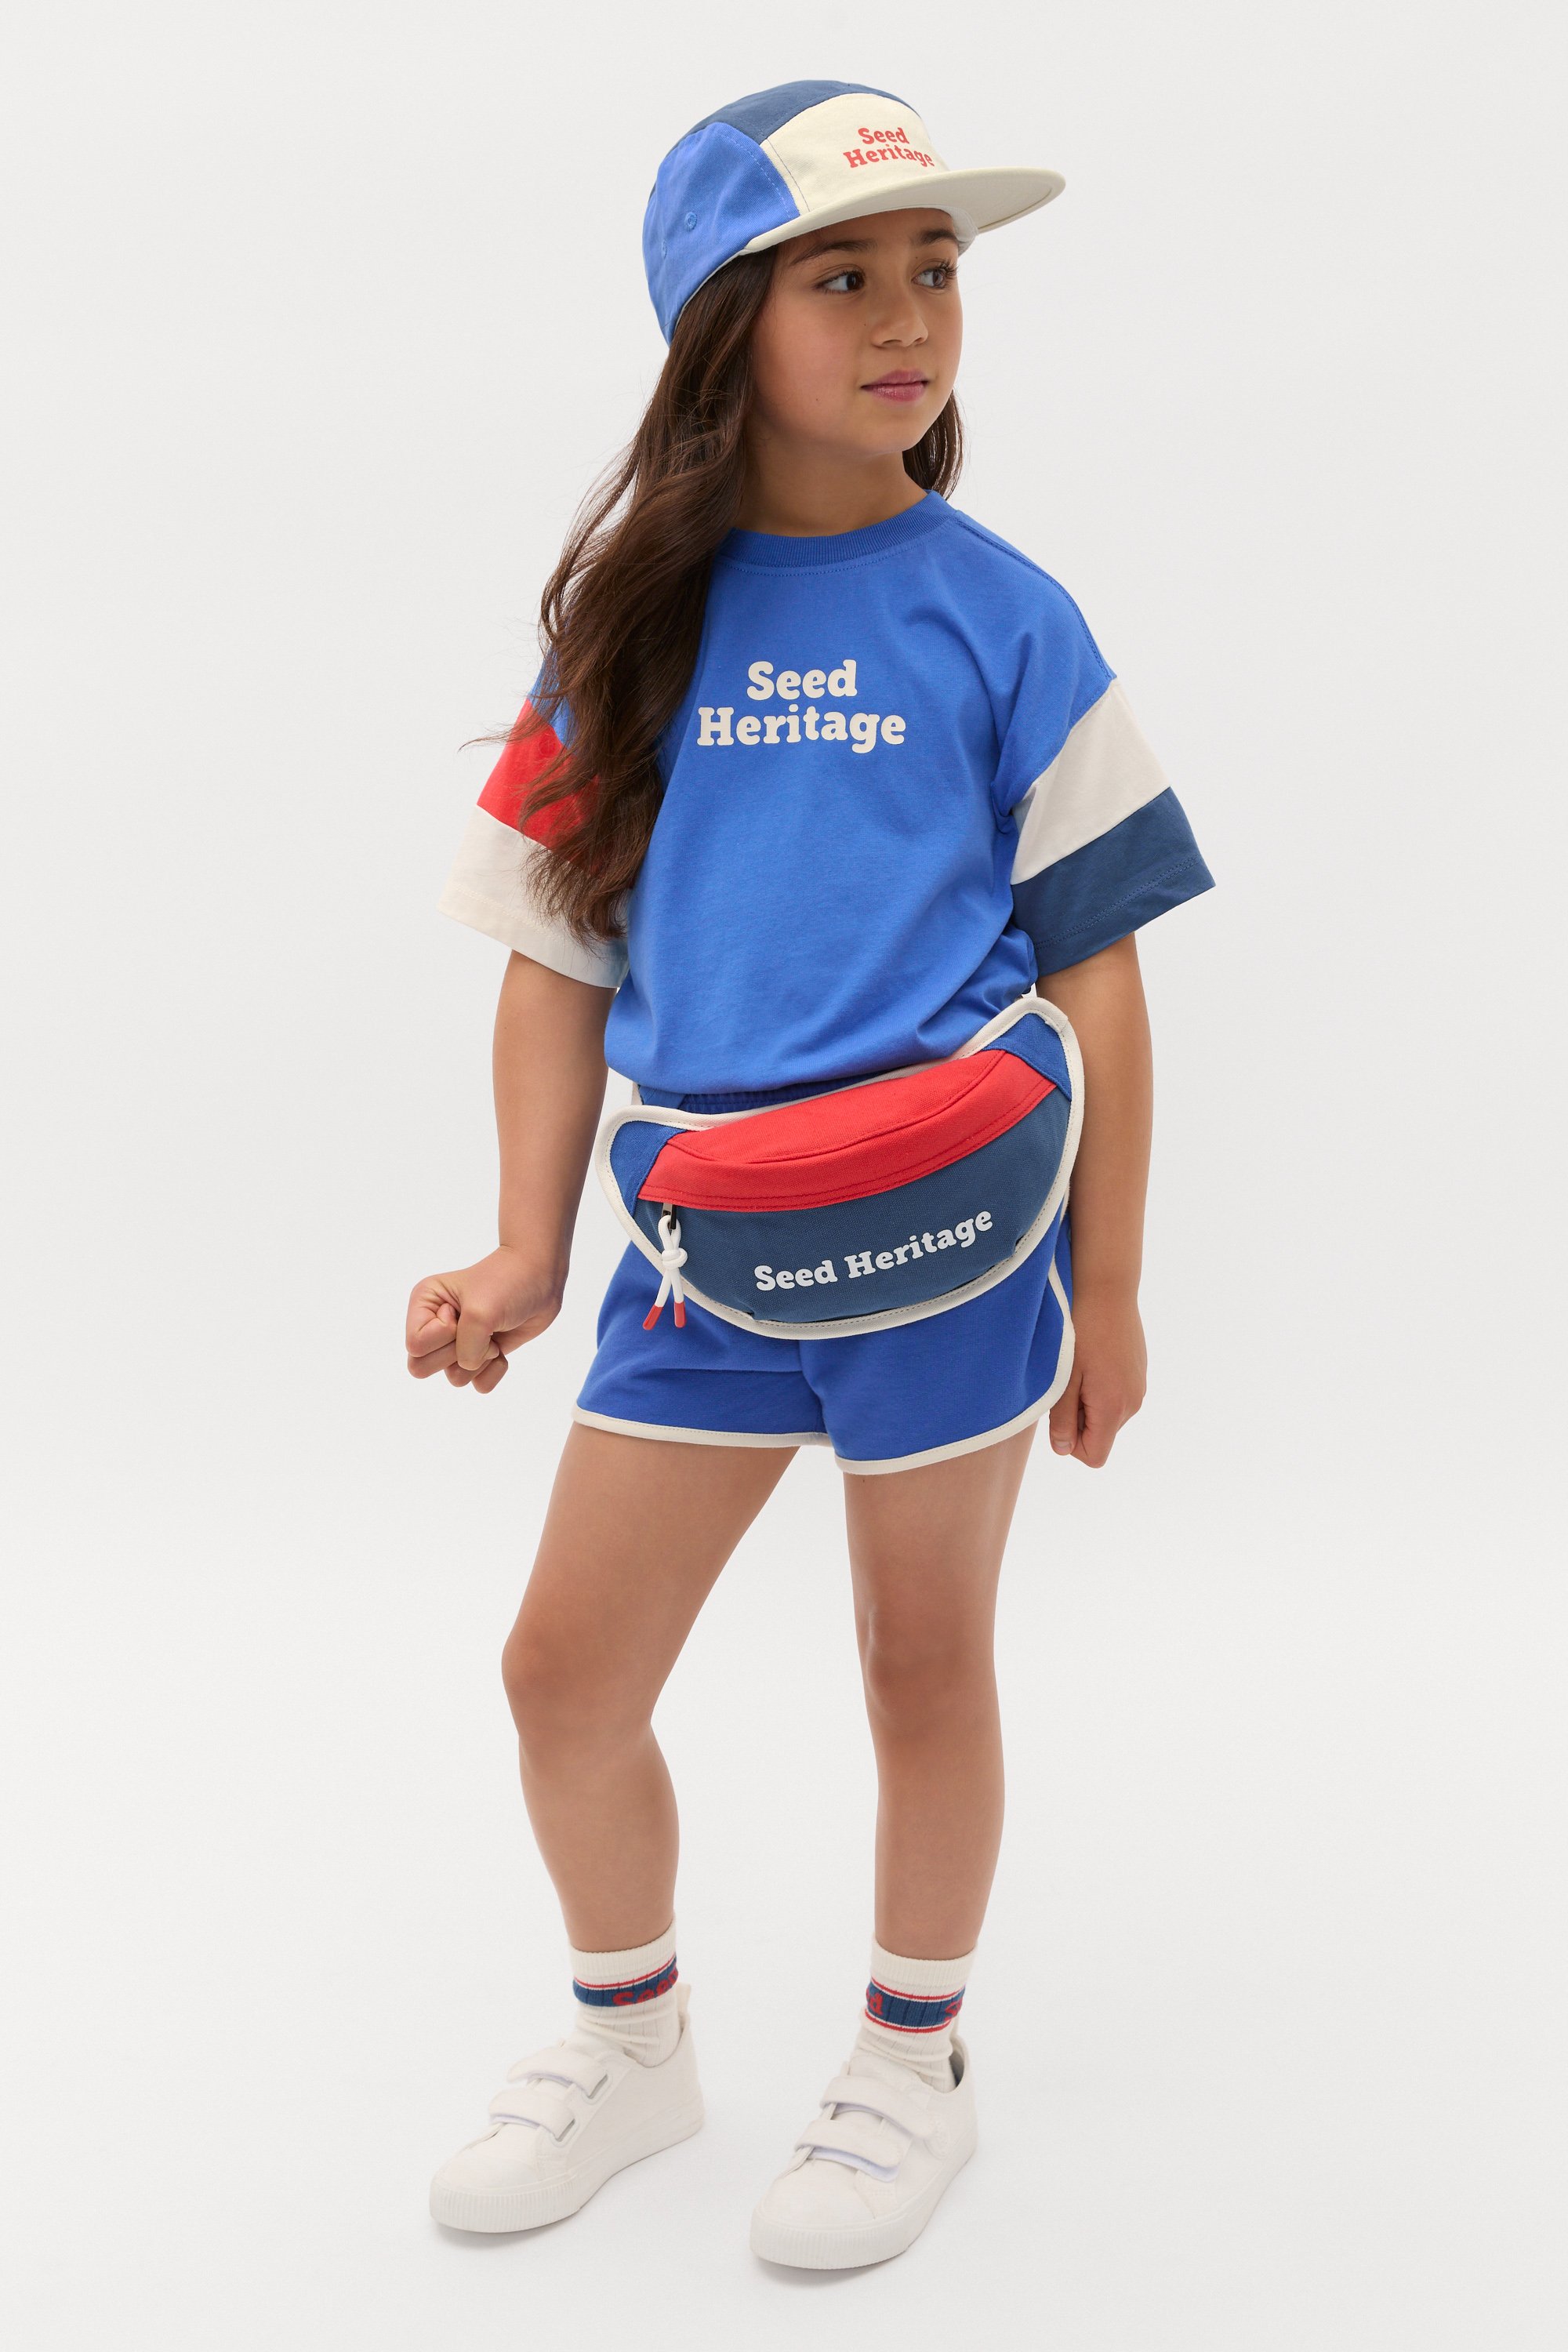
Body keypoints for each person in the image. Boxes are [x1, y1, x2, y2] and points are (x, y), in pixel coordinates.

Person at [407, 80, 1213, 2270]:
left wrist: (1111, 1285)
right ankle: (632, 2042)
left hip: (956, 1245)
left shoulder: (1007, 615)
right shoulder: (625, 634)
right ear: (718, 331)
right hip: (698, 1253)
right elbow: (554, 961)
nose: (908, 317)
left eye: (935, 270)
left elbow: (1103, 979)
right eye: (843, 277)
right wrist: (527, 1245)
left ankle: (910, 2061)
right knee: (563, 1676)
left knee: (921, 1662)